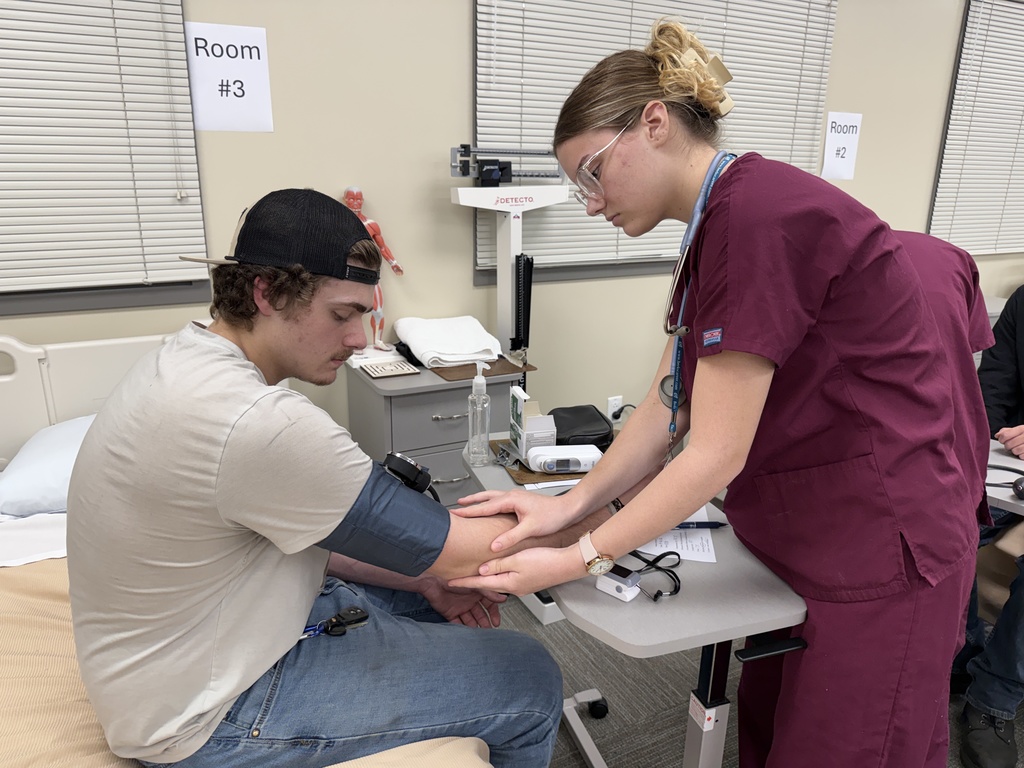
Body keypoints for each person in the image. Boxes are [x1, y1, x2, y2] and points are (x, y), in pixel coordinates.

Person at [449, 20, 979, 768]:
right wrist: (569, 506)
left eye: (592, 173)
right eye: (578, 187)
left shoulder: (757, 215)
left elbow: (714, 452)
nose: (590, 202)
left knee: (849, 749)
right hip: (807, 532)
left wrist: (581, 558)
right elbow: (671, 398)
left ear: (654, 124)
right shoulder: (717, 224)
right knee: (770, 737)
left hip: (884, 540)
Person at [66, 188, 607, 768]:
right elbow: (465, 554)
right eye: (343, 315)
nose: (359, 340)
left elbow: (314, 539)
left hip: (185, 655)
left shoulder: (181, 361)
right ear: (266, 292)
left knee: (428, 592)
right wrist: (610, 509)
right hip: (202, 718)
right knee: (528, 676)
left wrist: (422, 579)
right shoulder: (253, 424)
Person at [954, 283, 1024, 768]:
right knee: (942, 529)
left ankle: (992, 698)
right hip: (1010, 466)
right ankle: (963, 651)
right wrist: (967, 457)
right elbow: (992, 389)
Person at [342, 186, 403, 350]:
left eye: (358, 199)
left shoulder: (371, 225)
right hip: (346, 274)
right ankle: (351, 344)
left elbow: (382, 247)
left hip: (370, 273)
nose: (355, 203)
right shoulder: (339, 224)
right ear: (345, 200)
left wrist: (393, 263)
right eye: (352, 199)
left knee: (378, 311)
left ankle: (377, 341)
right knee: (348, 310)